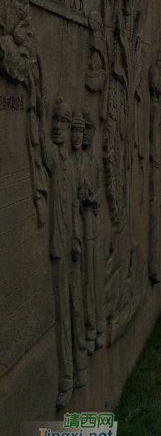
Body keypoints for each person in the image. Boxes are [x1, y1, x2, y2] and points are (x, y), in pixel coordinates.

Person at [39, 98, 88, 410]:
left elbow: (74, 206)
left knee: (73, 309)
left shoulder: (69, 164)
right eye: (54, 121)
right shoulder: (56, 159)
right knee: (64, 313)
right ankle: (67, 378)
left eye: (63, 123)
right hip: (59, 246)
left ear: (71, 129)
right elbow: (40, 141)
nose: (57, 128)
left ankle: (77, 370)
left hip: (70, 246)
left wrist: (78, 239)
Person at [79, 110, 106, 354]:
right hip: (83, 229)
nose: (86, 134)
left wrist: (93, 197)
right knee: (87, 280)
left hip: (95, 226)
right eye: (83, 129)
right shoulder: (77, 161)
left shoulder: (95, 161)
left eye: (90, 130)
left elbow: (99, 191)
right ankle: (90, 330)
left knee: (96, 277)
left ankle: (99, 326)